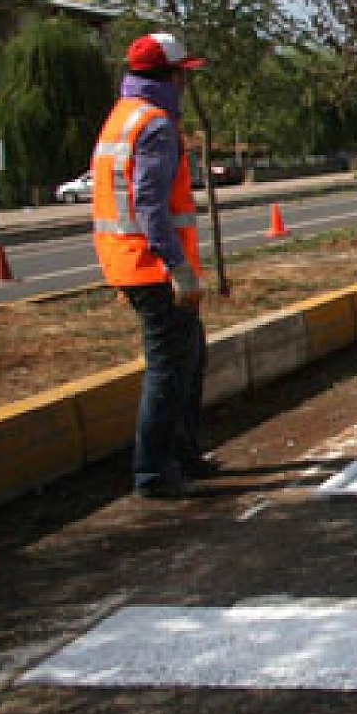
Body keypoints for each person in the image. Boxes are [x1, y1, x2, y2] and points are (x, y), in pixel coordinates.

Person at [91, 33, 214, 499]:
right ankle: (154, 472)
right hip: (153, 267)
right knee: (169, 368)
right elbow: (148, 204)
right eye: (184, 73)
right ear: (170, 75)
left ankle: (183, 454)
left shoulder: (123, 117)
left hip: (131, 262)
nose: (186, 82)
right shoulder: (156, 124)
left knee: (189, 356)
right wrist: (177, 267)